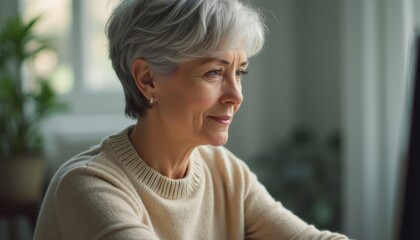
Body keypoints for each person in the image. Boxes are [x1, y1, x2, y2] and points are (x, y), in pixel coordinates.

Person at [34, 0, 349, 239]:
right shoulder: (87, 186)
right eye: (214, 72)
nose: (236, 95)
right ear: (147, 80)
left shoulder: (224, 172)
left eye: (239, 72)